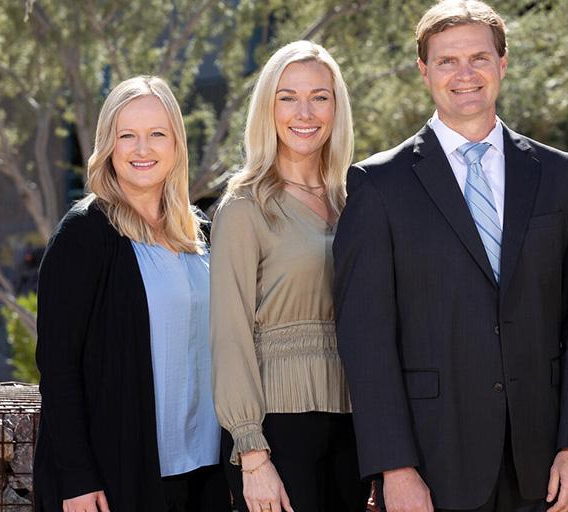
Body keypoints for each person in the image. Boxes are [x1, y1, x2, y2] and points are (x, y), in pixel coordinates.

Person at [332, 1, 568, 511]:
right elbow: (366, 341)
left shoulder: (560, 175)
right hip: (433, 462)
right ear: (424, 70)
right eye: (447, 61)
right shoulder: (379, 184)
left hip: (542, 461)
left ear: (502, 63)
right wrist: (394, 467)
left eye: (479, 58)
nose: (465, 74)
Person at [34, 76, 229, 512]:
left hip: (203, 471)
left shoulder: (200, 233)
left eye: (157, 134)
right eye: (127, 136)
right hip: (116, 477)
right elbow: (58, 367)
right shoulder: (84, 234)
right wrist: (77, 478)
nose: (142, 149)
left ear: (176, 144)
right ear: (109, 145)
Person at [210, 40, 367, 512]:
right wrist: (252, 453)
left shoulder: (355, 201)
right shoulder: (244, 207)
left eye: (320, 97)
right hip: (275, 431)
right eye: (288, 97)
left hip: (354, 426)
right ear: (268, 108)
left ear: (336, 108)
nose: (305, 112)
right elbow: (229, 336)